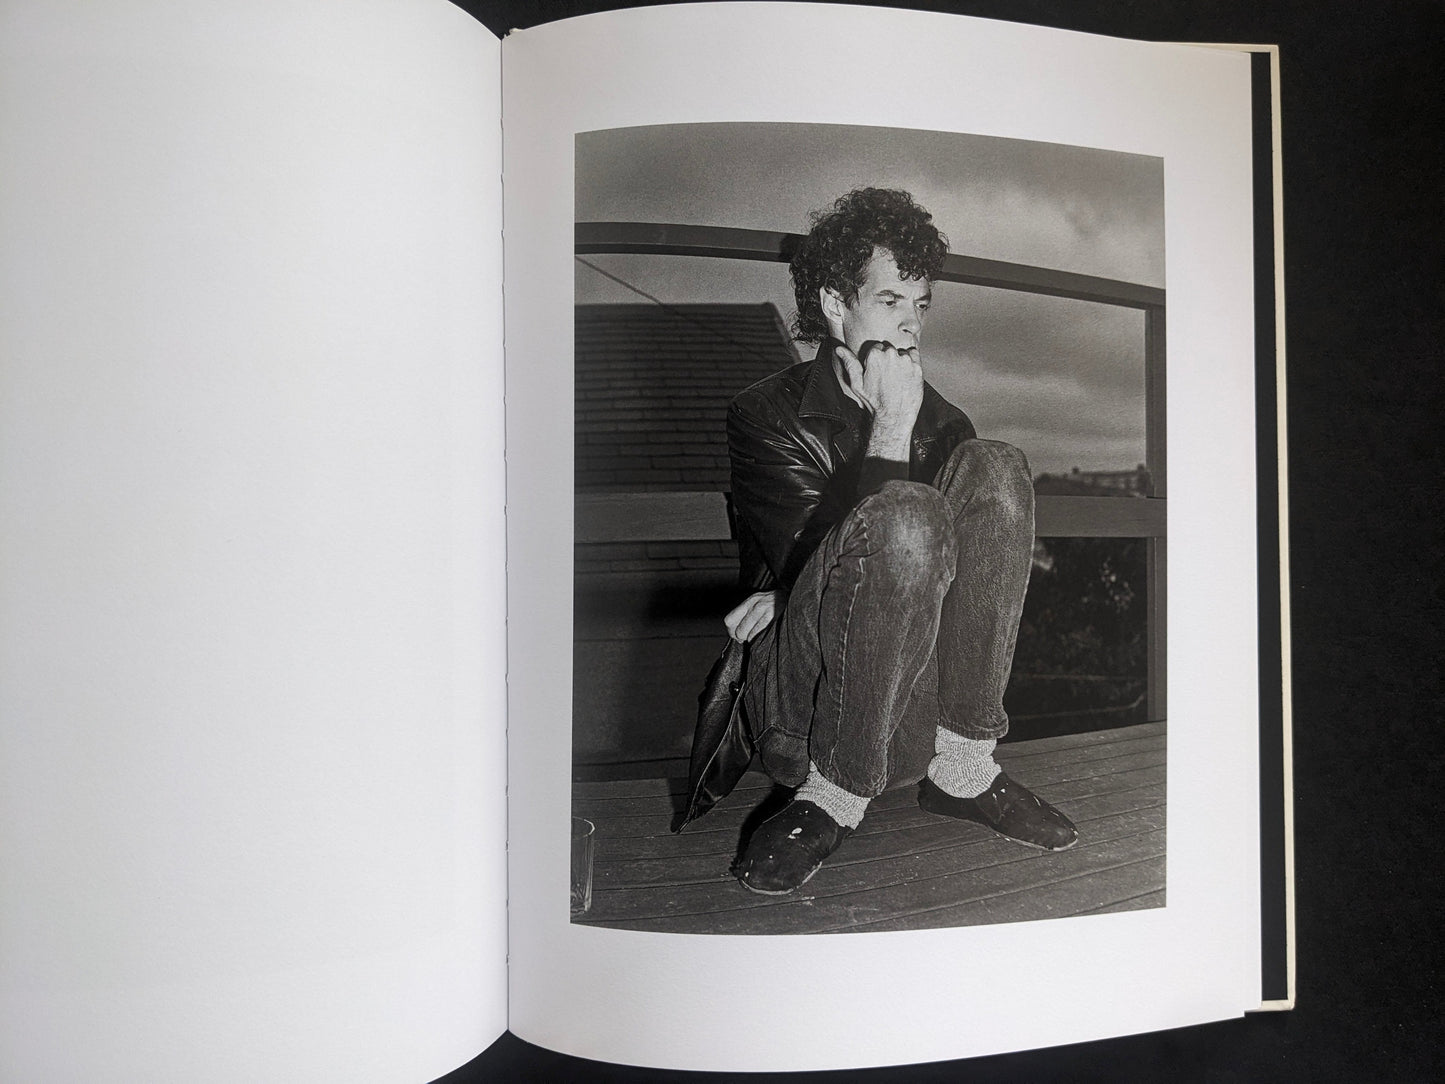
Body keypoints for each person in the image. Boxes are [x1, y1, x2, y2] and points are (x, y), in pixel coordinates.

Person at [722, 187, 1078, 895]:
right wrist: (889, 429)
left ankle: (964, 767)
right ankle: (832, 797)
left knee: (998, 463)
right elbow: (814, 573)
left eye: (921, 305)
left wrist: (907, 424)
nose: (911, 324)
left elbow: (962, 589)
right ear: (834, 303)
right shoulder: (765, 414)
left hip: (912, 705)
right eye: (890, 301)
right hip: (810, 707)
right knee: (910, 512)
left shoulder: (944, 423)